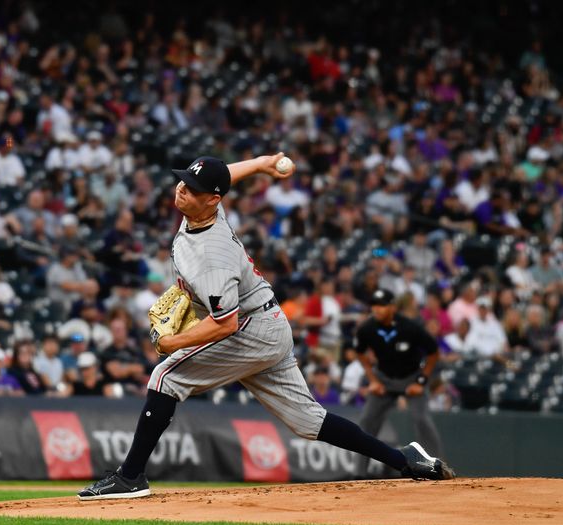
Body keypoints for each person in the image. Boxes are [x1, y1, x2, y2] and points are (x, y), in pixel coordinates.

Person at [79, 154, 453, 501]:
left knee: (166, 376)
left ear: (211, 199)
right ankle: (404, 458)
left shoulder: (212, 257)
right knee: (309, 421)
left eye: (191, 189)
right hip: (269, 325)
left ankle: (130, 477)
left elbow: (225, 323)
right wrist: (261, 163)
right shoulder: (206, 209)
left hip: (249, 328)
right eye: (181, 182)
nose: (181, 189)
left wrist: (174, 341)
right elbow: (222, 177)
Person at [352, 288, 446, 478]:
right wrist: (372, 379)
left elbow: (434, 352)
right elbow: (359, 352)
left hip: (411, 377)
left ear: (392, 307)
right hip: (384, 379)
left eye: (382, 305)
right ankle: (359, 474)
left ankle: (439, 468)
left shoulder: (409, 327)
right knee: (367, 420)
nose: (377, 309)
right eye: (374, 305)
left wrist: (421, 381)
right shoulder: (367, 329)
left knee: (422, 419)